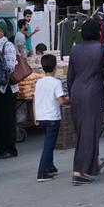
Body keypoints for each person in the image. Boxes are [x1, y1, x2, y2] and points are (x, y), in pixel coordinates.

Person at [67, 18, 104, 185]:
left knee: (84, 129)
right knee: (90, 131)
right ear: (98, 32)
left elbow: (70, 76)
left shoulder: (74, 50)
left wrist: (71, 93)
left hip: (77, 91)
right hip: (93, 92)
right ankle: (80, 171)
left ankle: (93, 163)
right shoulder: (103, 49)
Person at [35, 54, 69, 182]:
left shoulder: (39, 82)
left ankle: (50, 167)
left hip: (42, 116)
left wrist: (36, 116)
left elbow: (35, 99)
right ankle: (42, 172)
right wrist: (69, 100)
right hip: (52, 117)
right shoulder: (56, 82)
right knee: (49, 145)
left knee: (48, 142)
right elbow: (61, 101)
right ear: (55, 67)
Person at [0, 19, 19, 159]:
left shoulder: (8, 45)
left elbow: (11, 66)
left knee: (7, 118)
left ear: (2, 31)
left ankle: (10, 148)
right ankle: (0, 147)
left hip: (6, 87)